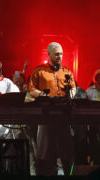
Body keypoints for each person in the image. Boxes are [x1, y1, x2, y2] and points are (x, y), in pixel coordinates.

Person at [29, 42, 76, 176]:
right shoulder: (39, 71)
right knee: (44, 150)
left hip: (63, 115)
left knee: (65, 150)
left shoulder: (67, 71)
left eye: (61, 54)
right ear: (48, 54)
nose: (59, 56)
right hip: (45, 115)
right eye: (56, 54)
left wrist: (70, 96)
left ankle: (68, 174)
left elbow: (73, 88)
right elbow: (31, 90)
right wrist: (45, 96)